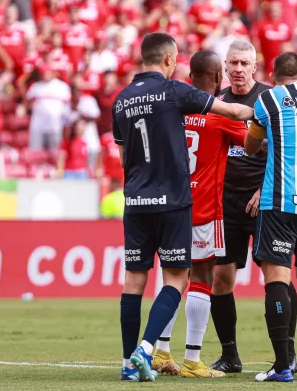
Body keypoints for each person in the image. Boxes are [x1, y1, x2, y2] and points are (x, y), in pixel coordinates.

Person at [115, 32, 254, 382]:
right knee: (182, 278)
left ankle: (133, 358)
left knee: (135, 280)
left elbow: (122, 155)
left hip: (135, 200)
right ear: (168, 60)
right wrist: (272, 110)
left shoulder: (121, 100)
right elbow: (238, 118)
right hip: (179, 203)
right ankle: (162, 352)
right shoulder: (177, 93)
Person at [150, 50, 248, 379]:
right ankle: (192, 360)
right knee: (202, 279)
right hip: (204, 210)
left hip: (169, 206)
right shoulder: (220, 114)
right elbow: (253, 145)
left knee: (172, 279)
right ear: (218, 78)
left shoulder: (170, 110)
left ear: (189, 76)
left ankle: (160, 352)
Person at [209, 40, 297, 375]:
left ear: (255, 67)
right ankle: (230, 355)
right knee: (221, 279)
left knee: (276, 275)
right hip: (227, 201)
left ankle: (287, 353)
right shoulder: (217, 101)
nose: (237, 69)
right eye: (232, 63)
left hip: (265, 199)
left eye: (244, 64)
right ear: (225, 66)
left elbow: (286, 150)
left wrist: (265, 188)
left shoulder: (270, 99)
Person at [244, 52, 297, 382]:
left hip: (279, 199)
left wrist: (261, 137)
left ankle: (282, 365)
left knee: (277, 277)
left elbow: (251, 146)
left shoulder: (268, 99)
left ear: (272, 74)